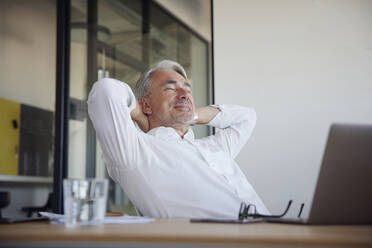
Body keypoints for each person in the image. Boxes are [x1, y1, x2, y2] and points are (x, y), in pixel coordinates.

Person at [87, 60, 269, 218]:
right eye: (171, 88)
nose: (184, 94)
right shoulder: (135, 152)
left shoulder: (214, 146)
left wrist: (192, 114)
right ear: (146, 105)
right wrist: (141, 116)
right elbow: (106, 91)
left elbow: (247, 117)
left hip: (277, 233)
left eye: (187, 89)